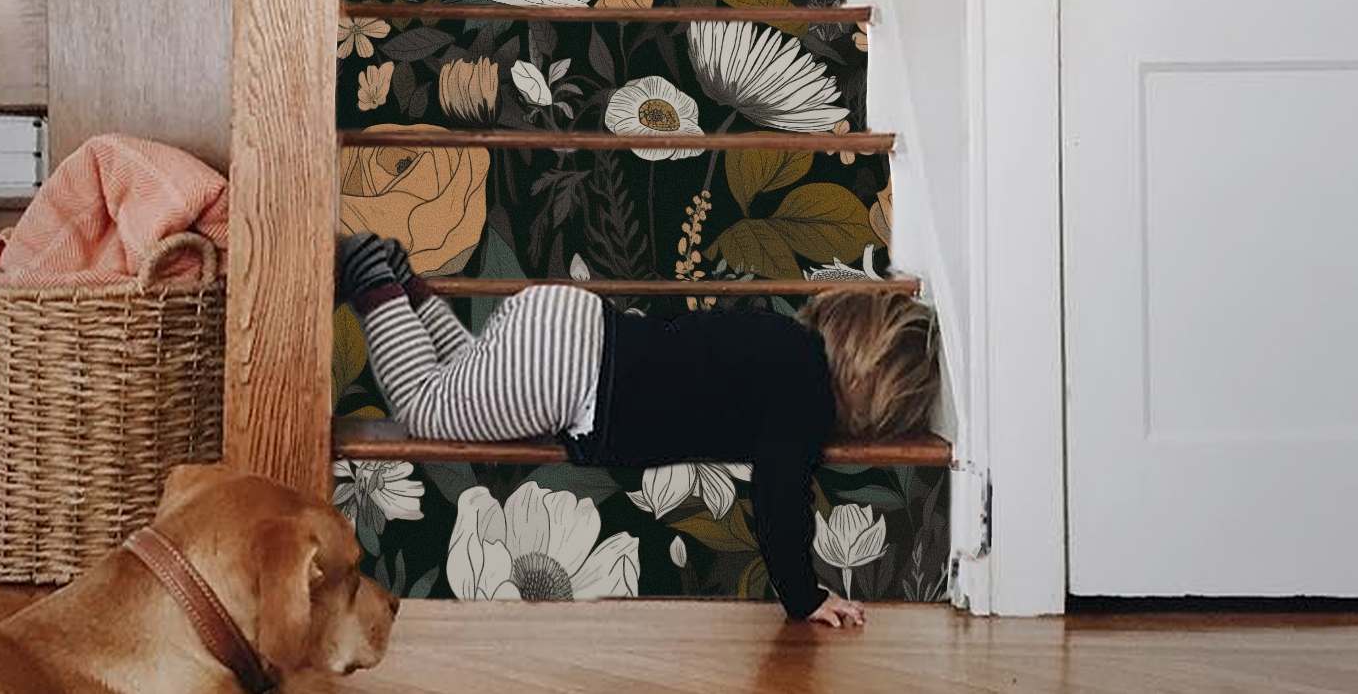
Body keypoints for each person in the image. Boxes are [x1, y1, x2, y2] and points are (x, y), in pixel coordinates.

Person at [338, 235, 939, 627]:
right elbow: (780, 497)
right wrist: (805, 598)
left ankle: (405, 283)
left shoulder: (780, 336)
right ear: (872, 391)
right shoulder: (802, 399)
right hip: (569, 376)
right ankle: (374, 278)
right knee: (429, 407)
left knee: (463, 372)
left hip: (570, 316)